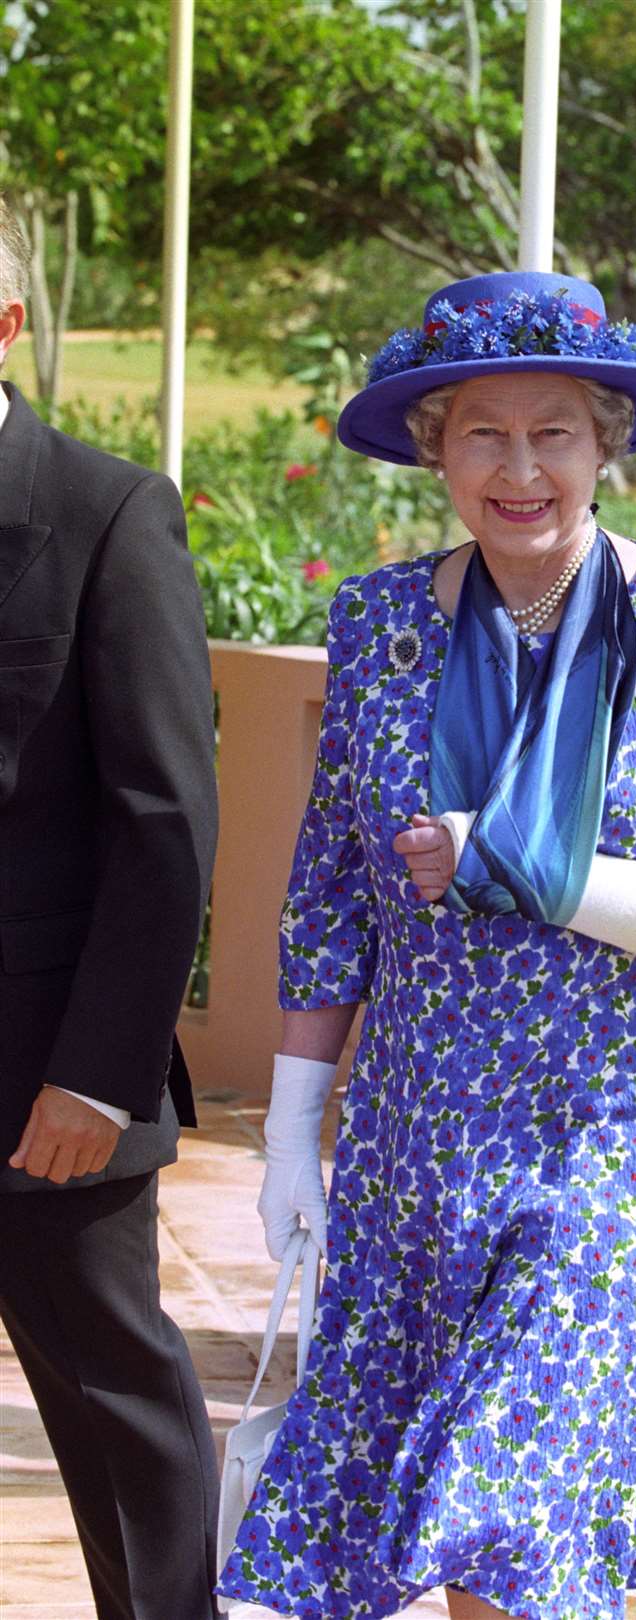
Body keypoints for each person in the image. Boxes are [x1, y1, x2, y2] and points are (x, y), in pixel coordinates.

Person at [217, 269, 636, 1620]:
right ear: (436, 450)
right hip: (418, 1129)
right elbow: (330, 892)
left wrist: (541, 871)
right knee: (437, 1501)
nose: (520, 466)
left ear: (609, 443)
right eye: (483, 431)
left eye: (555, 432)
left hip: (618, 1124)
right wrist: (296, 1125)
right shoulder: (378, 623)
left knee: (513, 1487)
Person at [0, 197, 220, 1617]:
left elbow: (166, 821)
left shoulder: (108, 509)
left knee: (113, 1399)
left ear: (7, 321)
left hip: (49, 1077)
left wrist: (101, 1068)